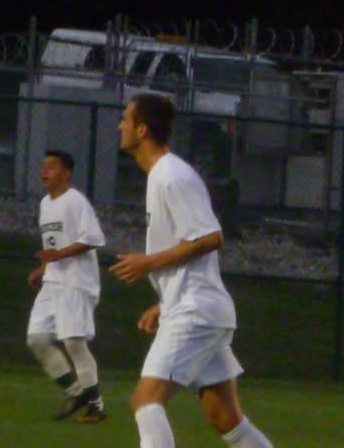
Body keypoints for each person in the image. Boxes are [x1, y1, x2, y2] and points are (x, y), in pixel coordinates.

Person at [110, 94, 273, 447]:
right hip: (197, 307)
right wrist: (165, 302)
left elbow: (211, 238)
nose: (120, 125)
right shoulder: (162, 175)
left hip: (195, 311)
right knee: (225, 418)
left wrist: (147, 263)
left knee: (146, 401)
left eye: (125, 119)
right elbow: (192, 248)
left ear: (142, 129)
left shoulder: (171, 176)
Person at [26, 150, 107, 423]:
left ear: (66, 173)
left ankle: (96, 405)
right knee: (37, 338)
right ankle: (77, 393)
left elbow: (92, 238)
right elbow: (53, 246)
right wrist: (42, 269)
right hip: (54, 280)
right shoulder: (45, 204)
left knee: (73, 341)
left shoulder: (76, 201)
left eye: (51, 167)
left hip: (76, 280)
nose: (44, 171)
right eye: (43, 166)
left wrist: (57, 256)